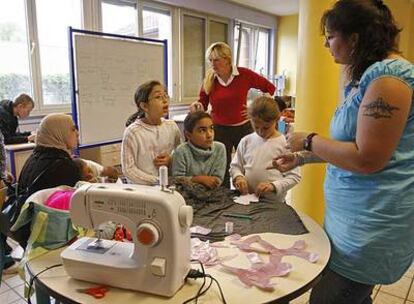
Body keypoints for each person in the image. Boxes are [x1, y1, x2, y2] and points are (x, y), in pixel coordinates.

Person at [269, 1, 414, 303]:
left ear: (355, 39)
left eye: (331, 35)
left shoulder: (389, 81)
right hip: (353, 219)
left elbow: (366, 159)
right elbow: (352, 147)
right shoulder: (366, 78)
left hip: (370, 226)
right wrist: (302, 158)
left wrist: (308, 140)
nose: (325, 43)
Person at [190, 42, 276, 187]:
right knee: (221, 168)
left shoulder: (244, 75)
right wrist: (196, 106)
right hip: (219, 129)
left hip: (243, 128)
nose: (212, 64)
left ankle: (249, 196)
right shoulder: (210, 79)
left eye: (216, 60)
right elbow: (202, 104)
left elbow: (270, 88)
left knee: (249, 166)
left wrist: (254, 109)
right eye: (210, 60)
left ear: (227, 59)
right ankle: (222, 200)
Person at [230, 96, 300, 200]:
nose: (261, 132)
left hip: (274, 203)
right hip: (249, 199)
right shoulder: (246, 141)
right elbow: (235, 166)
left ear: (276, 120)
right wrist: (238, 177)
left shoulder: (285, 144)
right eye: (256, 127)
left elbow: (294, 177)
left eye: (266, 128)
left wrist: (273, 186)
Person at [121, 80, 182, 185]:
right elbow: (128, 169)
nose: (165, 100)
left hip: (168, 186)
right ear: (144, 106)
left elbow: (181, 154)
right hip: (143, 189)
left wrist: (171, 159)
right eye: (158, 97)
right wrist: (157, 181)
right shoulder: (133, 132)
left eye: (166, 96)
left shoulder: (172, 126)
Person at [18, 113, 81, 196]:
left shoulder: (34, 157)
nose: (77, 133)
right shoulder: (65, 167)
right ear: (59, 133)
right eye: (72, 129)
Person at [171, 111, 226, 189]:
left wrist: (190, 181)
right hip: (186, 196)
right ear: (188, 135)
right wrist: (199, 179)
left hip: (213, 193)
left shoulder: (220, 148)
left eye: (211, 128)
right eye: (202, 130)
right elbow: (177, 181)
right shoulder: (181, 151)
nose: (209, 135)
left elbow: (217, 181)